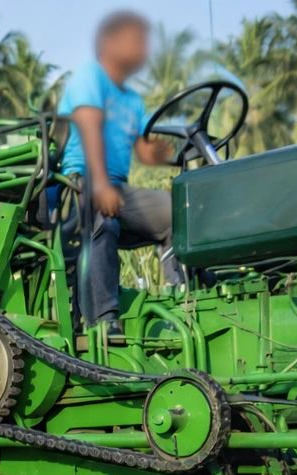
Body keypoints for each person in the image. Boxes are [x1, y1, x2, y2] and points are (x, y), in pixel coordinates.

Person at [58, 11, 177, 333]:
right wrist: (100, 185)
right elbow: (89, 127)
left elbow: (144, 151)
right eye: (136, 40)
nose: (143, 49)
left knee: (180, 213)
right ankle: (102, 320)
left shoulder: (133, 100)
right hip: (80, 183)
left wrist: (174, 150)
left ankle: (185, 297)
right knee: (102, 221)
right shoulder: (90, 78)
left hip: (120, 190)